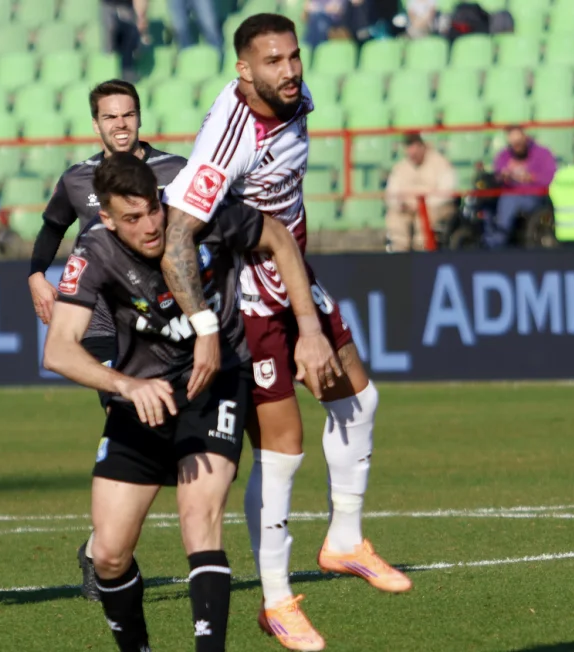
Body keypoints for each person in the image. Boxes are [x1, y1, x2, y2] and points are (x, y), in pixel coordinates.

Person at [160, 14, 411, 651]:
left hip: (293, 272)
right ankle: (276, 601)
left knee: (360, 400)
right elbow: (175, 239)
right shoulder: (229, 139)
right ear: (243, 71)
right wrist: (204, 325)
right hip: (245, 295)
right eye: (273, 61)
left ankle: (345, 539)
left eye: (294, 56)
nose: (291, 70)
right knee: (285, 446)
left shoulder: (295, 101)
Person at [43, 152, 332, 652]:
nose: (151, 225)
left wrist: (309, 329)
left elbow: (280, 239)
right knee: (109, 553)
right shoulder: (93, 252)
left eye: (153, 209)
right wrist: (125, 386)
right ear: (107, 219)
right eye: (132, 219)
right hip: (143, 393)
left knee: (199, 517)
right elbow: (58, 349)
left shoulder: (204, 215)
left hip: (215, 380)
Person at [24, 79, 188, 601]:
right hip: (96, 316)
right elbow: (52, 229)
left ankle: (99, 548)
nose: (120, 124)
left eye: (128, 115)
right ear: (96, 124)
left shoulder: (174, 171)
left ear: (140, 118)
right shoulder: (77, 179)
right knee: (131, 416)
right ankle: (111, 554)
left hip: (157, 318)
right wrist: (35, 275)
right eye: (110, 117)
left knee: (164, 433)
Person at [384, 132, 457, 251]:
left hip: (432, 208)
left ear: (423, 147)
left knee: (422, 228)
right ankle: (398, 260)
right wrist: (400, 204)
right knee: (395, 223)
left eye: (416, 147)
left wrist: (422, 205)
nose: (412, 153)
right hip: (406, 208)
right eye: (409, 147)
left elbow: (447, 192)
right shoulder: (400, 167)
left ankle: (422, 259)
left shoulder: (440, 163)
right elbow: (391, 193)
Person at [486, 125, 556, 250]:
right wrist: (504, 176)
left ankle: (498, 241)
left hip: (535, 196)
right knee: (485, 203)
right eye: (513, 144)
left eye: (518, 143)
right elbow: (497, 176)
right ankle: (486, 239)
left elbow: (550, 178)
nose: (516, 147)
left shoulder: (543, 154)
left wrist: (530, 177)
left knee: (509, 200)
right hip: (507, 193)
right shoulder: (504, 155)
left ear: (525, 138)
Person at [101, 0, 149, 81]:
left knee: (131, 33)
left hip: (127, 7)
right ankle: (110, 71)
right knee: (110, 36)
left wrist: (141, 16)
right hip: (108, 5)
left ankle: (127, 70)